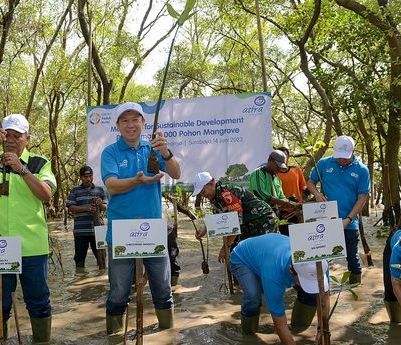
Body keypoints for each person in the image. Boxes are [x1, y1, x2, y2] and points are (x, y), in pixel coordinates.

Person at [0, 113, 56, 343]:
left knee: (38, 300)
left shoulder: (39, 162)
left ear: (27, 138)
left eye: (18, 135)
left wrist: (21, 169)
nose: (12, 140)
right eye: (8, 135)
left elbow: (46, 195)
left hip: (32, 244)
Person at [100, 102, 181, 334]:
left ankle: (167, 335)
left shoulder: (154, 148)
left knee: (163, 290)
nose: (131, 125)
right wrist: (137, 181)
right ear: (117, 126)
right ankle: (115, 336)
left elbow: (176, 173)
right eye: (124, 120)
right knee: (118, 292)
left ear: (143, 123)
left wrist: (166, 153)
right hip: (120, 232)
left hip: (153, 230)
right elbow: (111, 186)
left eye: (135, 119)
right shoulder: (110, 152)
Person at [229, 233, 330, 343]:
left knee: (311, 294)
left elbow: (324, 297)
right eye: (306, 281)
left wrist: (321, 329)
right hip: (243, 258)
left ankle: (299, 327)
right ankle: (249, 334)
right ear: (292, 270)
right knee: (253, 296)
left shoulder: (320, 263)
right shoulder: (274, 274)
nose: (311, 284)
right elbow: (280, 324)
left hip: (267, 254)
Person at [306, 135, 370, 284]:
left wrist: (348, 219)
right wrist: (317, 194)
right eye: (339, 157)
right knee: (322, 257)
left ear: (353, 151)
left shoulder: (362, 170)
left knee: (352, 257)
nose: (341, 160)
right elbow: (310, 182)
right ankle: (323, 288)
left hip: (348, 221)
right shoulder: (323, 164)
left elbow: (362, 198)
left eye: (345, 157)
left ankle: (355, 287)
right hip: (325, 220)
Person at [193, 171, 277, 262]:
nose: (204, 195)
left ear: (212, 183)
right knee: (241, 254)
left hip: (262, 220)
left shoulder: (226, 193)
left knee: (261, 255)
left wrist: (226, 247)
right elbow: (218, 217)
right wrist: (204, 229)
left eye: (203, 191)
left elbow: (235, 222)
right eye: (201, 194)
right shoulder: (214, 196)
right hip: (248, 224)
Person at [66, 165, 107, 270]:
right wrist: (87, 208)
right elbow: (70, 208)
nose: (88, 179)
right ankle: (80, 277)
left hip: (98, 230)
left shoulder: (100, 190)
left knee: (102, 259)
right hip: (81, 231)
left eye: (90, 176)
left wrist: (100, 204)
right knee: (79, 260)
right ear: (81, 177)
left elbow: (105, 207)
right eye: (85, 176)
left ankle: (100, 281)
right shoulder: (75, 191)